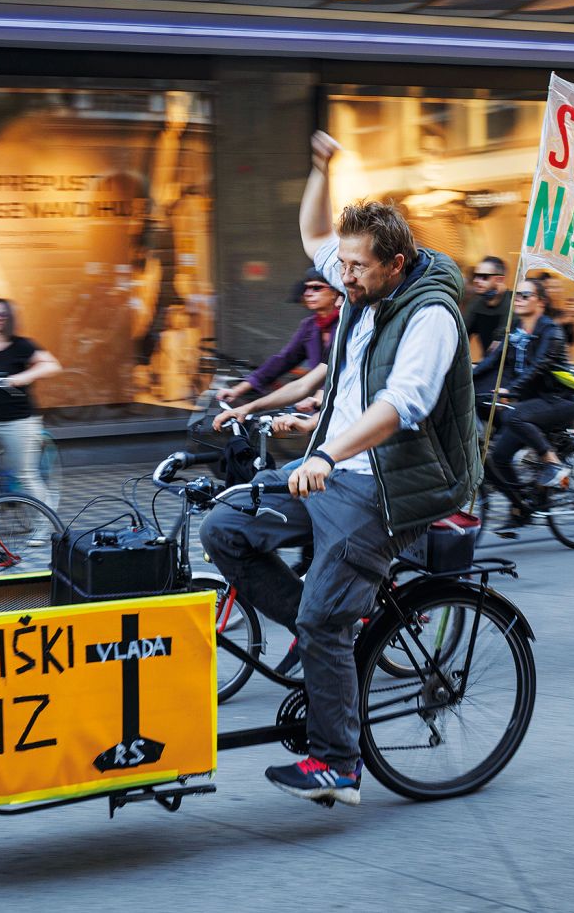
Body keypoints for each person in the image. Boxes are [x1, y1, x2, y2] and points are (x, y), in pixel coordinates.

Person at [200, 130, 478, 808]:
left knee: (325, 620)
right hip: (339, 467)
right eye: (343, 264)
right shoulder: (360, 280)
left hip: (392, 483)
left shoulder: (431, 314)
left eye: (354, 268)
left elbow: (402, 404)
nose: (340, 278)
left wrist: (326, 451)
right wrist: (321, 164)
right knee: (224, 526)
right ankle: (326, 636)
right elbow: (313, 231)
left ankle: (338, 762)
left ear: (396, 261)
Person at [475, 280, 574, 523]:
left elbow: (538, 367)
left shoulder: (551, 332)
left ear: (541, 302)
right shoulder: (516, 331)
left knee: (514, 414)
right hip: (532, 404)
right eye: (517, 295)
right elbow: (493, 362)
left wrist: (510, 390)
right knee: (498, 458)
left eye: (526, 294)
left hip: (560, 401)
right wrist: (462, 381)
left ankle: (553, 463)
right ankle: (521, 507)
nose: (519, 299)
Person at [0, 299, 62, 505]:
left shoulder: (20, 344)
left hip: (18, 421)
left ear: (8, 319)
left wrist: (20, 378)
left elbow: (52, 365)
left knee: (24, 474)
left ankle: (47, 526)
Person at [217, 269, 343, 405]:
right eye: (306, 288)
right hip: (320, 406)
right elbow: (283, 360)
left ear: (335, 292)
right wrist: (238, 390)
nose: (308, 294)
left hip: (347, 405)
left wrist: (321, 394)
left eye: (316, 288)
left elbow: (341, 370)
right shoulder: (310, 326)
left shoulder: (348, 324)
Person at [463, 256, 511, 359]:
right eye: (475, 275)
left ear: (499, 279)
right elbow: (462, 335)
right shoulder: (476, 303)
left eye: (484, 276)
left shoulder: (515, 303)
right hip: (487, 367)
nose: (476, 280)